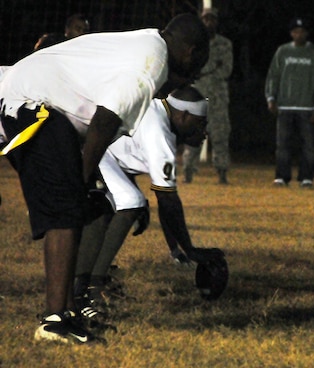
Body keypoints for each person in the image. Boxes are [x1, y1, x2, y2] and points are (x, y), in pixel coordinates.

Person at [0, 13, 209, 344]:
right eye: (199, 64)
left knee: (76, 208)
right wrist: (80, 182)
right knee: (67, 208)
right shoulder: (150, 65)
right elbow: (104, 122)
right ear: (192, 51)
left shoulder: (151, 43)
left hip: (38, 100)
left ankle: (67, 312)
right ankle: (55, 321)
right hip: (31, 102)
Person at [73, 86, 212, 322]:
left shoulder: (158, 113)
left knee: (122, 202)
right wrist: (189, 249)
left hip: (98, 149)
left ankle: (90, 284)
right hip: (87, 147)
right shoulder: (159, 132)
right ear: (184, 116)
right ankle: (89, 289)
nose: (204, 131)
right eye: (200, 123)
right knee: (125, 202)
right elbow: (168, 201)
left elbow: (165, 197)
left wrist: (175, 249)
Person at [265, 17, 314, 188]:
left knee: (308, 145)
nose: (299, 34)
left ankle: (306, 177)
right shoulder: (283, 51)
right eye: (296, 31)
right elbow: (273, 76)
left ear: (306, 33)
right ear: (291, 33)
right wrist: (271, 98)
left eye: (302, 31)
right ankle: (282, 177)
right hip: (284, 106)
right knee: (283, 145)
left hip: (307, 107)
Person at [182, 8, 233, 184]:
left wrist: (203, 71)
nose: (208, 23)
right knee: (193, 135)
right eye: (205, 19)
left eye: (212, 19)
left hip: (218, 98)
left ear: (216, 22)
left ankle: (222, 172)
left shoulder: (224, 44)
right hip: (196, 96)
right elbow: (189, 68)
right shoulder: (193, 44)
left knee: (220, 135)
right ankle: (188, 171)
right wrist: (211, 68)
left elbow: (226, 69)